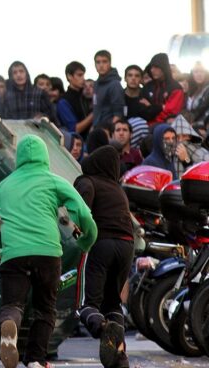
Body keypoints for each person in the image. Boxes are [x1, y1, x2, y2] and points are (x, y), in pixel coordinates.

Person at [0, 135, 97, 368]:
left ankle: (10, 324)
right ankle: (35, 360)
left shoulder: (4, 186)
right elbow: (83, 213)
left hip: (13, 254)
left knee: (13, 305)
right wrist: (86, 241)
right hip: (47, 252)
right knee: (45, 308)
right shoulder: (53, 181)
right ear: (44, 156)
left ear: (19, 157)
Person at [74, 146, 133, 368]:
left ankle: (101, 327)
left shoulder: (87, 181)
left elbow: (82, 213)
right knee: (113, 302)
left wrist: (78, 234)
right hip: (127, 247)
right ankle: (120, 357)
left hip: (101, 244)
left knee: (86, 305)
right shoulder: (118, 190)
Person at [142, 53, 184, 126]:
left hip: (165, 125)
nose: (152, 70)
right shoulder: (148, 87)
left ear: (164, 68)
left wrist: (151, 107)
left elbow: (170, 112)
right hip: (146, 123)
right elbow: (142, 109)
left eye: (156, 67)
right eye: (151, 67)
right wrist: (161, 107)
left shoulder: (175, 88)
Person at [122, 65, 155, 148]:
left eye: (137, 76)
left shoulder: (148, 96)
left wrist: (150, 107)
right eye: (130, 75)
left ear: (141, 79)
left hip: (144, 139)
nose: (133, 78)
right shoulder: (119, 96)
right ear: (125, 78)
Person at [58, 62, 93, 135]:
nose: (83, 79)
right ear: (69, 76)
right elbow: (74, 129)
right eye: (79, 75)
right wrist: (94, 114)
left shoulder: (85, 96)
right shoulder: (64, 101)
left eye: (83, 75)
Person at [170, 114, 209, 178]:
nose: (180, 140)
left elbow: (199, 179)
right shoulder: (168, 153)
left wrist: (186, 160)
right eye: (177, 137)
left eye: (184, 136)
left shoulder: (202, 154)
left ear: (190, 136)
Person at [92, 50, 124, 127]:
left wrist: (108, 131)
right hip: (97, 128)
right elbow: (97, 110)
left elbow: (118, 115)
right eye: (98, 62)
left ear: (110, 63)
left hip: (108, 131)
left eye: (104, 61)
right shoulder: (96, 84)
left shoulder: (115, 84)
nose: (101, 65)